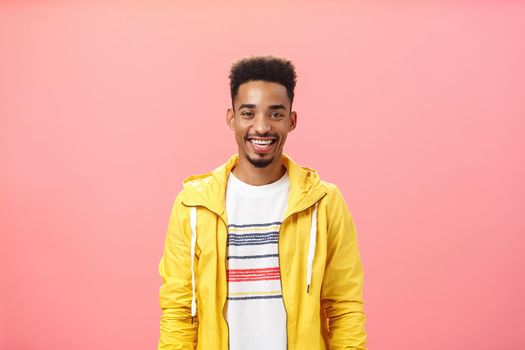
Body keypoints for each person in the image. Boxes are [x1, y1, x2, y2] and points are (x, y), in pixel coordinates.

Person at [158, 55, 367, 350]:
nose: (262, 127)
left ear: (292, 121)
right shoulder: (193, 205)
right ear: (231, 118)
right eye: (248, 113)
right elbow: (179, 311)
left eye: (275, 114)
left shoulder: (324, 203)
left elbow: (344, 307)